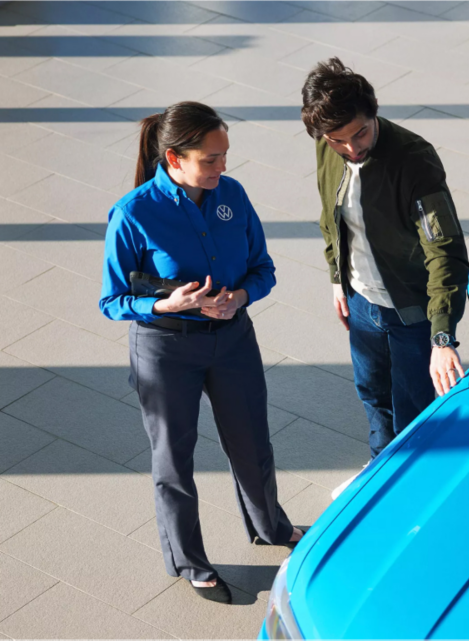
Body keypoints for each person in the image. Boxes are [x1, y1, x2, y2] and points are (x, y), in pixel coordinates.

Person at [99, 102, 303, 604]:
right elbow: (111, 301)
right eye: (210, 159)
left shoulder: (231, 196)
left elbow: (263, 268)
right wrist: (167, 302)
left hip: (233, 339)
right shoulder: (133, 213)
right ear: (174, 158)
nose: (222, 168)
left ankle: (270, 527)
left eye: (224, 155)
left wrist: (242, 295)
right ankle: (188, 559)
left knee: (252, 440)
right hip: (165, 348)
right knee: (174, 457)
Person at [301, 59, 469, 498]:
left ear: (373, 110)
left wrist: (441, 336)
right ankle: (380, 472)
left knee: (415, 409)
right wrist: (338, 279)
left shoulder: (413, 160)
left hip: (412, 312)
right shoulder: (329, 145)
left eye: (360, 133)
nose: (351, 148)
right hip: (361, 302)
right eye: (338, 141)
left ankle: (411, 493)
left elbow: (445, 252)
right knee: (372, 392)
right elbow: (329, 215)